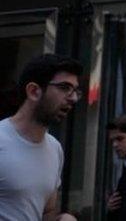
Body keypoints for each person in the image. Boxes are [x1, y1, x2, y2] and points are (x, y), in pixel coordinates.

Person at [0, 53, 81, 221]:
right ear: (34, 91)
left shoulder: (55, 148)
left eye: (75, 91)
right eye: (65, 87)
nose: (73, 98)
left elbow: (46, 213)